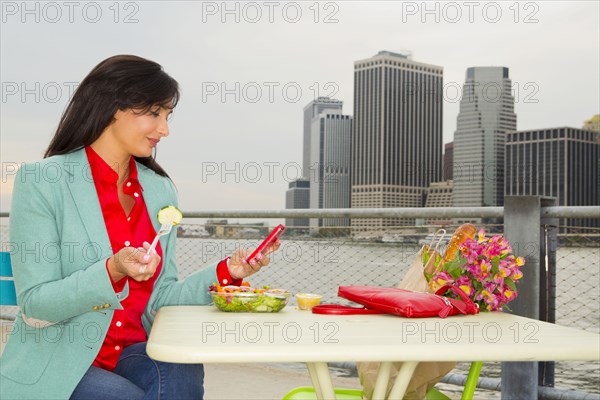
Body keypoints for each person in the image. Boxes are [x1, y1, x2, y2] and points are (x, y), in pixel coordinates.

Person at [0, 55, 279, 400]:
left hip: (134, 350)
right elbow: (36, 302)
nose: (165, 129)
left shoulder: (160, 189)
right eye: (155, 113)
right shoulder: (43, 181)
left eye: (167, 116)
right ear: (115, 106)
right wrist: (112, 270)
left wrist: (228, 271)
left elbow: (161, 298)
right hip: (62, 357)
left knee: (181, 367)